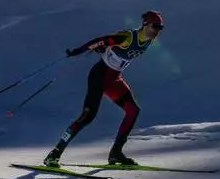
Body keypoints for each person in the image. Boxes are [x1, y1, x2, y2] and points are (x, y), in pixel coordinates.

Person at [43, 9, 165, 167]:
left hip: (114, 79)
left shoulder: (149, 40)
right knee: (87, 117)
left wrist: (107, 49)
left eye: (160, 28)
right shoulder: (128, 37)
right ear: (145, 24)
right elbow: (102, 40)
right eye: (155, 26)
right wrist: (78, 51)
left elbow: (111, 49)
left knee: (133, 110)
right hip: (99, 77)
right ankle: (54, 154)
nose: (157, 31)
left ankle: (116, 153)